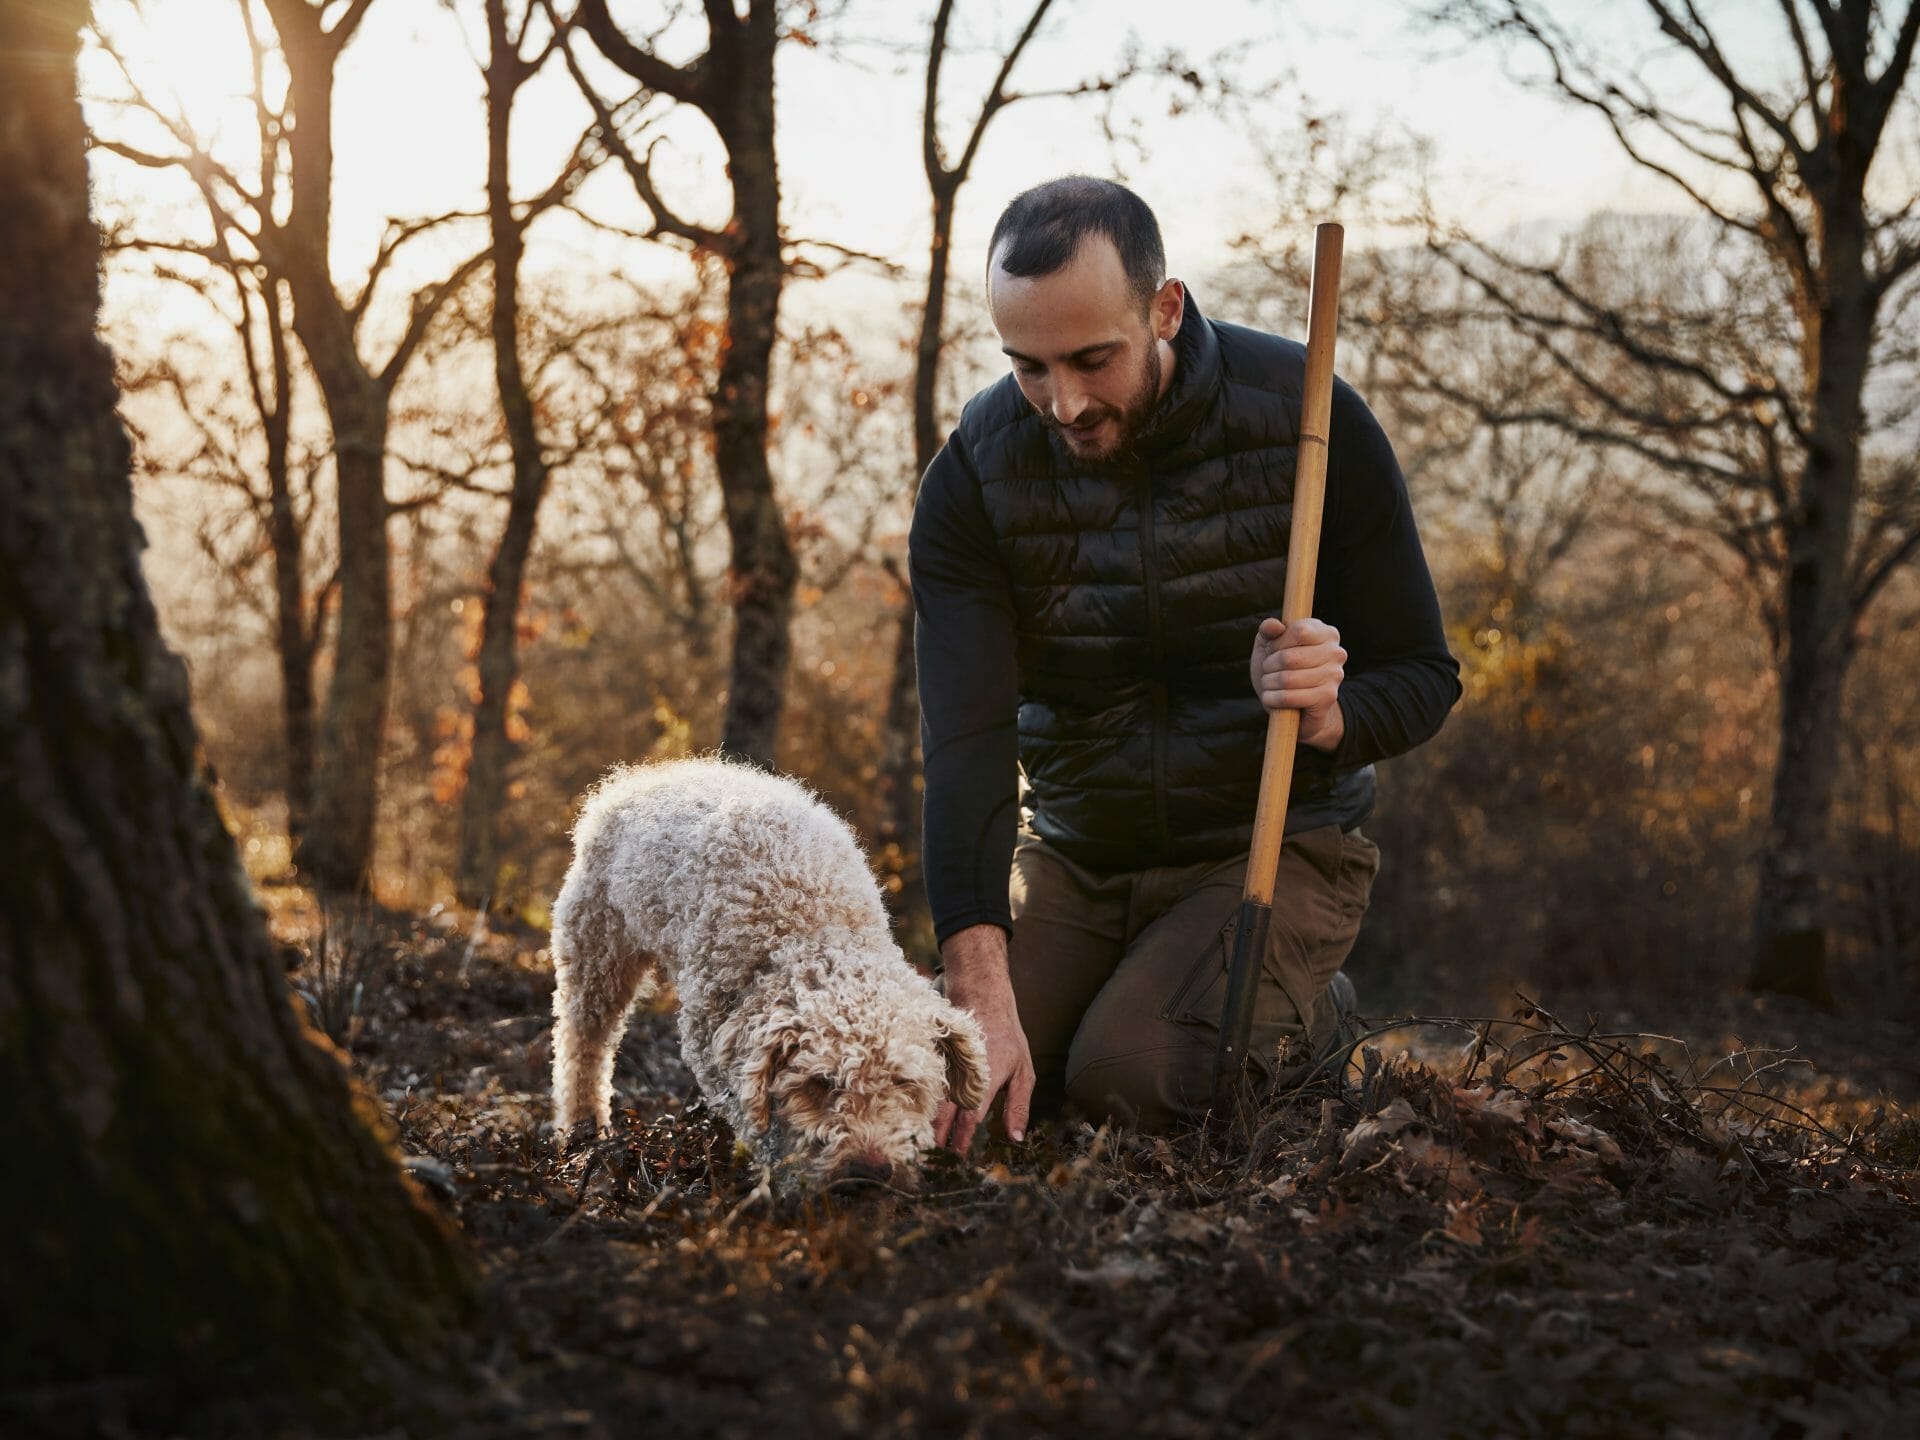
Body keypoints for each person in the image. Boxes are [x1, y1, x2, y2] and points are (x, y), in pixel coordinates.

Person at [911, 176, 1460, 1152]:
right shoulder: (976, 478)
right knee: (954, 1092)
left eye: (1092, 359)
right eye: (1029, 368)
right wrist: (976, 984)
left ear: (1163, 309)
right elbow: (967, 744)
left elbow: (1425, 676)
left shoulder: (1309, 423)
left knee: (1130, 1085)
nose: (1064, 403)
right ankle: (1128, 1001)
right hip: (1077, 852)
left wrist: (1334, 714)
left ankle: (1315, 1014)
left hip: (1268, 847)